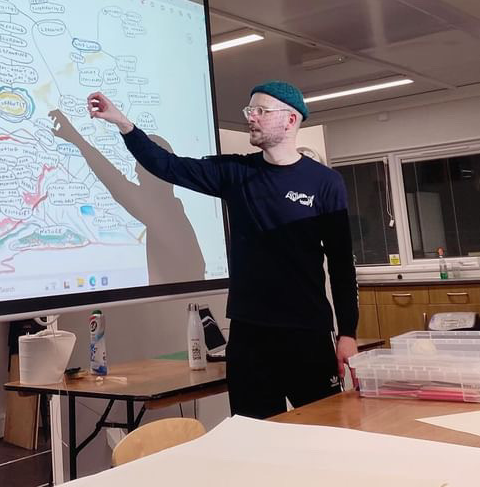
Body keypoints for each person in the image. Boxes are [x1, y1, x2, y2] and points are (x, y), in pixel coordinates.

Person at [85, 81, 358, 419]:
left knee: (323, 430)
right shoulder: (235, 172)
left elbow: (342, 265)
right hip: (250, 334)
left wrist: (348, 333)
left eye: (261, 111)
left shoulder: (325, 183)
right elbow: (168, 166)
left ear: (291, 119)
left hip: (307, 332)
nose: (251, 117)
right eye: (250, 110)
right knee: (252, 435)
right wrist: (123, 124)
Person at [48, 109, 205, 285]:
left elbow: (115, 181)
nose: (136, 170)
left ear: (158, 171)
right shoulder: (173, 212)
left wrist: (76, 139)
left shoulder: (164, 213)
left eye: (141, 165)